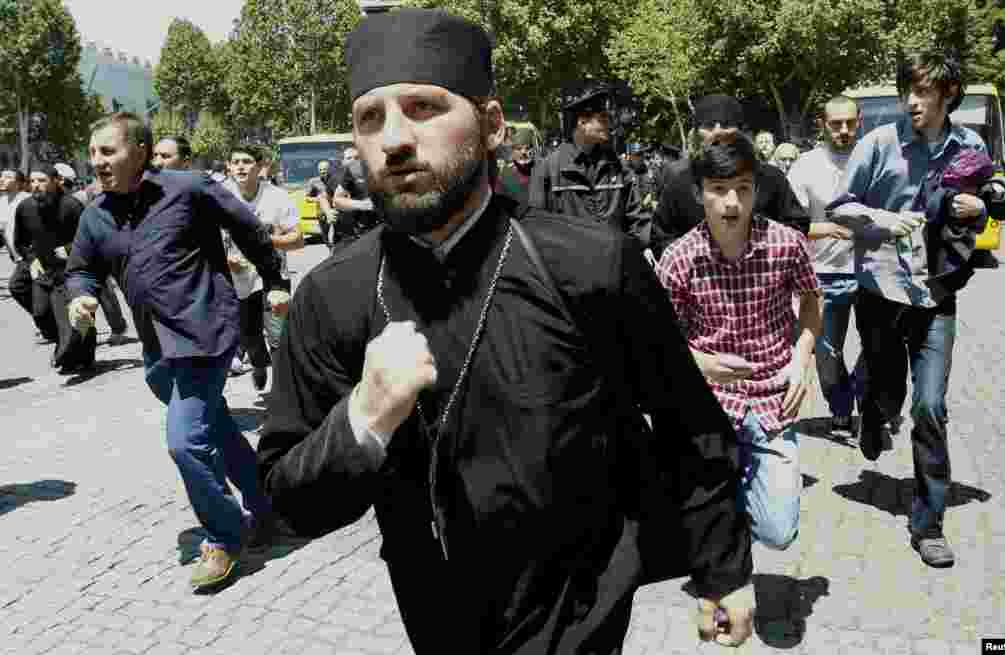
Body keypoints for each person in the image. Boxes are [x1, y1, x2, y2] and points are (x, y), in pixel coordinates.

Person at [258, 9, 754, 654]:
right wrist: (364, 419)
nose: (395, 138)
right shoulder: (334, 294)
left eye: (424, 107)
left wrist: (724, 570)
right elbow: (290, 503)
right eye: (370, 118)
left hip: (581, 607)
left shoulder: (591, 264)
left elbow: (688, 421)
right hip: (437, 615)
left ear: (491, 125)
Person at [65, 112, 291, 590]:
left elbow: (248, 227)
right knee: (218, 427)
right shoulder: (94, 214)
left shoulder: (187, 189)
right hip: (157, 349)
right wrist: (81, 295)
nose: (97, 162)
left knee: (185, 441)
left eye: (108, 151)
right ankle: (267, 507)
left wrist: (273, 280)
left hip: (205, 333)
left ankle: (227, 537)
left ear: (141, 152)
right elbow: (81, 269)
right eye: (93, 153)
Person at [828, 50, 987, 568]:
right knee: (889, 395)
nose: (912, 102)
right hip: (879, 293)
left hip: (936, 295)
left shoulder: (970, 146)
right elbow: (840, 207)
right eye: (908, 92)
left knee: (930, 407)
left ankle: (929, 526)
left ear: (948, 96)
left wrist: (983, 206)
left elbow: (992, 194)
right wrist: (880, 217)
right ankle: (872, 414)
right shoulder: (878, 144)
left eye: (923, 92)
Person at [656, 135, 821, 552]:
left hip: (773, 400)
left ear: (756, 191)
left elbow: (811, 303)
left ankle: (735, 518)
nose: (732, 202)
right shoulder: (678, 259)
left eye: (742, 189)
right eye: (718, 190)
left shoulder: (787, 245)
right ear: (699, 193)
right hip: (708, 404)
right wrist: (698, 362)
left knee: (778, 532)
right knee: (700, 520)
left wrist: (802, 359)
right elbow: (659, 340)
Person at [787, 96, 867, 435]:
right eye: (836, 124)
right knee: (827, 354)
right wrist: (825, 229)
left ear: (859, 120)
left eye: (850, 123)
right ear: (823, 123)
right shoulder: (806, 165)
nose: (844, 130)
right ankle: (840, 407)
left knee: (883, 347)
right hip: (822, 275)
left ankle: (864, 394)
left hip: (871, 272)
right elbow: (788, 221)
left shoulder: (873, 158)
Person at [650, 95, 809, 260]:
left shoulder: (771, 177)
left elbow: (797, 225)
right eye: (709, 126)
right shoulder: (679, 183)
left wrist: (760, 255)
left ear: (741, 130)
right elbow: (661, 238)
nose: (718, 132)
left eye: (726, 125)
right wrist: (697, 261)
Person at [223, 144, 304, 390]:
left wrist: (264, 240)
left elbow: (298, 239)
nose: (240, 166)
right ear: (228, 167)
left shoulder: (276, 197)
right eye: (235, 161)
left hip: (273, 274)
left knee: (279, 333)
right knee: (249, 336)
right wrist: (226, 260)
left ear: (259, 167)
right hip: (238, 278)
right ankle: (258, 364)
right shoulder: (219, 196)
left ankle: (283, 392)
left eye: (246, 161)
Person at [528, 81, 646, 239]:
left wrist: (640, 249)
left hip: (613, 261)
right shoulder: (548, 170)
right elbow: (537, 229)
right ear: (582, 122)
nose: (608, 123)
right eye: (602, 118)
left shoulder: (619, 167)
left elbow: (637, 221)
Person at [14, 166, 97, 373]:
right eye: (32, 181)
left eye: (41, 180)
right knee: (41, 314)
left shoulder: (71, 206)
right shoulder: (25, 208)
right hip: (43, 273)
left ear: (56, 181)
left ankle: (82, 356)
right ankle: (65, 346)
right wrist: (31, 259)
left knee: (74, 319)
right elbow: (20, 242)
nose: (36, 185)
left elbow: (90, 236)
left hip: (71, 273)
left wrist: (69, 249)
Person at [54, 162, 132, 347]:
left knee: (106, 293)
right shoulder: (80, 195)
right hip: (83, 254)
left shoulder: (83, 198)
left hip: (100, 250)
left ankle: (118, 328)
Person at [2, 168, 58, 341]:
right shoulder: (2, 202)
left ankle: (51, 326)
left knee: (22, 286)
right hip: (21, 255)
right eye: (1, 176)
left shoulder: (28, 200)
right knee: (20, 288)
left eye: (7, 176)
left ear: (19, 182)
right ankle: (49, 325)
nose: (2, 179)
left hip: (37, 256)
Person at [331, 148, 378, 252]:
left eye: (357, 158)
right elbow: (336, 200)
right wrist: (364, 205)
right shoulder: (353, 170)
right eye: (349, 158)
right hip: (363, 231)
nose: (354, 160)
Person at [496, 128, 534, 207]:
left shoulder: (540, 169)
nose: (523, 152)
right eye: (519, 148)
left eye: (527, 148)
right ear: (512, 151)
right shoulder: (505, 174)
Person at [306, 160, 338, 249]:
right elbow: (307, 198)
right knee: (325, 235)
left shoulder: (336, 179)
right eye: (320, 170)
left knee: (337, 233)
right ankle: (330, 248)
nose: (322, 171)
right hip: (322, 213)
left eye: (324, 169)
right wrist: (319, 199)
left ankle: (336, 249)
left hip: (336, 210)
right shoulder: (313, 182)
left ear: (329, 169)